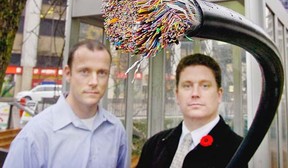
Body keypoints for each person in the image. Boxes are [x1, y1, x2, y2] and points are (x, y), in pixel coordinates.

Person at [4, 39, 129, 168]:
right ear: (68, 73)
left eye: (102, 73)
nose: (94, 81)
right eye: (85, 71)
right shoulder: (35, 135)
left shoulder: (115, 130)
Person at [136, 53, 248, 168]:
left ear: (219, 95)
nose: (195, 94)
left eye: (205, 86)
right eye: (187, 86)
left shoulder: (237, 149)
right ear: (177, 95)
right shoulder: (155, 144)